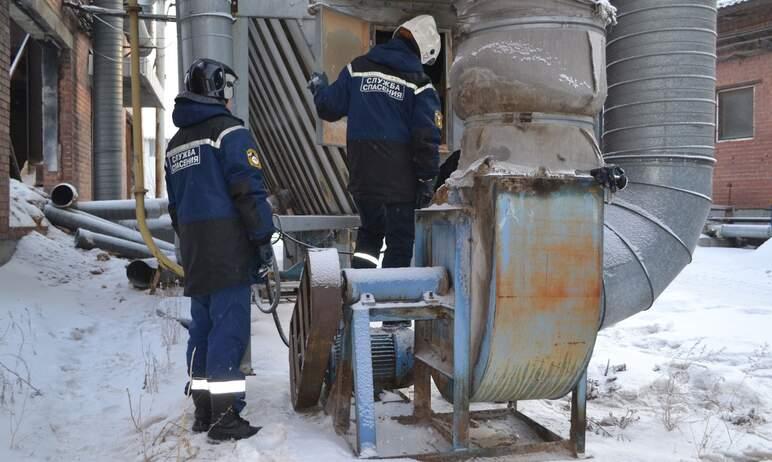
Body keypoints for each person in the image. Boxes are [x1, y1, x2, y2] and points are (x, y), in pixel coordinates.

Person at [165, 58, 275, 441]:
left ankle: (203, 409)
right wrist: (263, 239)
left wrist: (193, 242)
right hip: (227, 245)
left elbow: (175, 207)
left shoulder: (175, 145)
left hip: (195, 249)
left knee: (204, 327)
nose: (230, 98)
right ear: (217, 89)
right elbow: (248, 189)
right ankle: (225, 417)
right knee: (229, 330)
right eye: (227, 90)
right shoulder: (230, 134)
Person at [309, 15, 442, 272]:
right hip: (399, 185)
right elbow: (426, 137)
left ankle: (360, 297)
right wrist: (427, 180)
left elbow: (329, 108)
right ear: (424, 50)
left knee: (370, 234)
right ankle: (391, 308)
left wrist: (319, 87)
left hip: (363, 178)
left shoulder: (358, 68)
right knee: (400, 244)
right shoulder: (419, 83)